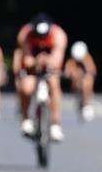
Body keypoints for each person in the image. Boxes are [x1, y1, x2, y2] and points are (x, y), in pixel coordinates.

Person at [14, 13, 68, 142]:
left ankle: (55, 124)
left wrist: (48, 62)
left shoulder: (59, 35)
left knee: (54, 83)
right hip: (32, 63)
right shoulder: (25, 34)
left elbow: (58, 58)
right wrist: (35, 62)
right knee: (26, 88)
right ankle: (26, 118)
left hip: (50, 64)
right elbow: (26, 58)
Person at [64, 40, 98, 121]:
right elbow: (67, 72)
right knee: (76, 81)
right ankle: (78, 95)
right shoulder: (71, 60)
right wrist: (74, 74)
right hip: (76, 81)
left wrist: (86, 72)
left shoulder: (87, 58)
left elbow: (92, 71)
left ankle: (87, 104)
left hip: (85, 79)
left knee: (88, 81)